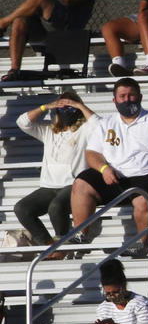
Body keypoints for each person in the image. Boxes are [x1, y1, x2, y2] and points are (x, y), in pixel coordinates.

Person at [73, 78, 148, 255]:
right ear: (115, 100)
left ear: (140, 97)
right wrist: (104, 169)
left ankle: (142, 245)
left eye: (131, 95)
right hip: (117, 177)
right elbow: (92, 153)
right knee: (81, 183)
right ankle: (81, 235)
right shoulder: (106, 124)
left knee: (143, 199)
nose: (127, 100)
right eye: (122, 96)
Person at [15, 91, 97, 251]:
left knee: (56, 206)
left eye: (70, 107)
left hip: (72, 185)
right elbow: (22, 122)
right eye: (62, 107)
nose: (66, 111)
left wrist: (79, 105)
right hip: (49, 186)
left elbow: (99, 124)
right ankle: (49, 245)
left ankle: (63, 246)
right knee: (22, 208)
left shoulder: (85, 130)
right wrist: (46, 106)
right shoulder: (48, 131)